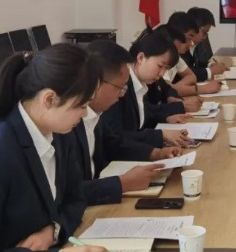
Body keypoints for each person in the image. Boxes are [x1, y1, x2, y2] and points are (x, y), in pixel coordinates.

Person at [0, 44, 97, 252]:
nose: (85, 114)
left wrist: (54, 230)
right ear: (49, 99)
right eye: (81, 105)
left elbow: (75, 198)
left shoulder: (59, 133)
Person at [70, 39, 181, 206]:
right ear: (96, 84)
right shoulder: (66, 125)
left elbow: (115, 144)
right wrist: (122, 183)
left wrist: (156, 153)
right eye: (120, 88)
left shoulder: (95, 114)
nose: (122, 94)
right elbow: (66, 194)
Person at [103, 33, 192, 148]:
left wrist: (166, 119)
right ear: (141, 58)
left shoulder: (142, 82)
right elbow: (116, 137)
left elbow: (143, 118)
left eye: (166, 69)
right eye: (160, 66)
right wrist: (160, 137)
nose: (162, 74)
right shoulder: (120, 87)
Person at [167, 11, 226, 84]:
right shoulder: (173, 51)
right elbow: (180, 76)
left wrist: (210, 65)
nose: (205, 37)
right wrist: (210, 72)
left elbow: (194, 67)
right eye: (204, 32)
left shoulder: (192, 45)